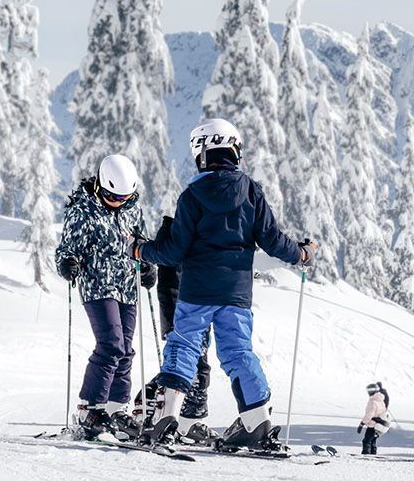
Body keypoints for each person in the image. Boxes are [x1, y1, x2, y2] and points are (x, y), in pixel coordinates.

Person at [139, 117, 314, 450]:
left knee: (185, 344)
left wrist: (142, 249)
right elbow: (274, 241)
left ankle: (165, 418)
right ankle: (257, 421)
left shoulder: (191, 195)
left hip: (197, 290)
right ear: (234, 150)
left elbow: (173, 252)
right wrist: (301, 254)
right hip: (236, 293)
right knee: (237, 352)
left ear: (201, 154)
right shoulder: (250, 190)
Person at [55, 154, 155, 440]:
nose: (118, 201)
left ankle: (115, 408)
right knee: (111, 345)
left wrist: (148, 266)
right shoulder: (83, 210)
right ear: (100, 186)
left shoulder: (132, 210)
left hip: (127, 286)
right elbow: (67, 247)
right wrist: (67, 262)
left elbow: (141, 244)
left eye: (124, 196)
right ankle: (90, 407)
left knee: (126, 350)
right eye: (112, 196)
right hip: (98, 286)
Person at [135, 215, 214, 441]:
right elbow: (170, 282)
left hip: (199, 309)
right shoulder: (176, 234)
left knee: (200, 367)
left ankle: (188, 420)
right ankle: (157, 408)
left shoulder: (203, 235)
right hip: (181, 311)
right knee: (190, 366)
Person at [357, 381, 391, 455]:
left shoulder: (373, 401)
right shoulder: (381, 400)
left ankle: (366, 453)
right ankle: (373, 453)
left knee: (366, 440)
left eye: (369, 391)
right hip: (379, 426)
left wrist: (362, 424)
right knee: (373, 441)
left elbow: (370, 414)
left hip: (372, 425)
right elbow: (385, 408)